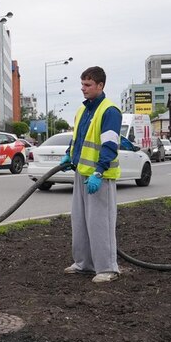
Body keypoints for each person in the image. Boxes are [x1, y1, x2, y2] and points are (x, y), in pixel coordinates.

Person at [60, 66, 123, 284]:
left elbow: (109, 145)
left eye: (88, 85)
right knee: (80, 222)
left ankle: (107, 268)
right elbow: (77, 138)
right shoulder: (82, 110)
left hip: (100, 177)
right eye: (82, 84)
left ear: (100, 85)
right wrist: (69, 155)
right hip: (81, 174)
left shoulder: (109, 111)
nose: (83, 89)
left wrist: (99, 171)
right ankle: (84, 264)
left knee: (100, 223)